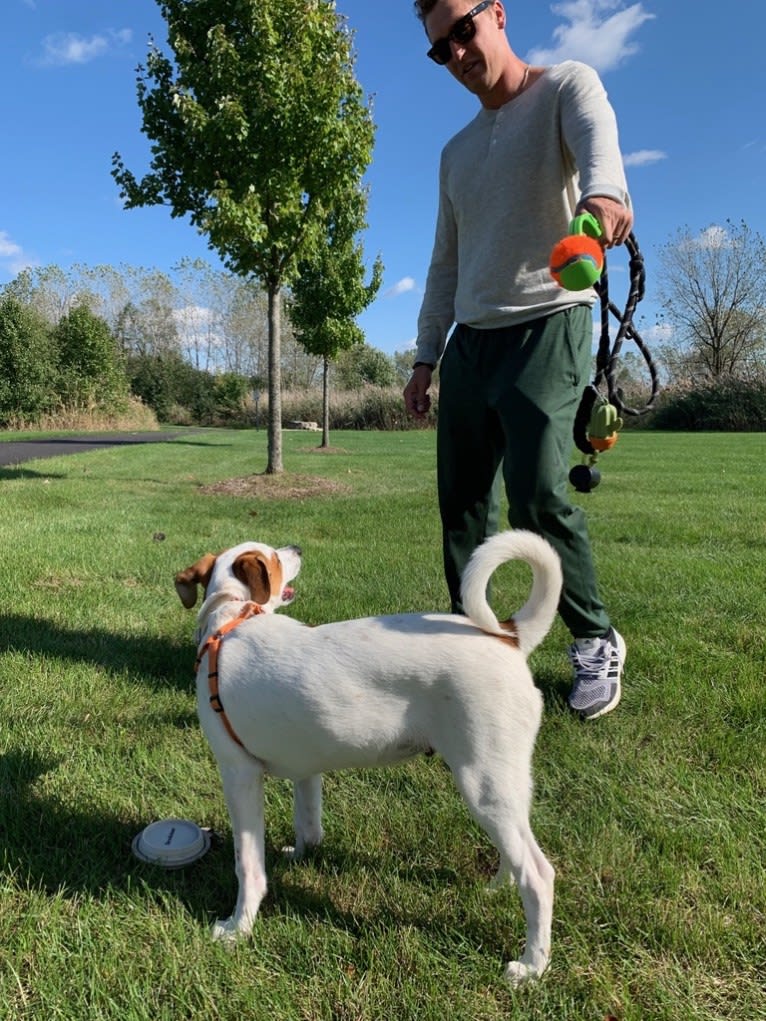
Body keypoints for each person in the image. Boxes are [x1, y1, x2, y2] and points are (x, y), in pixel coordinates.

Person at [404, 0, 633, 719]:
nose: (457, 54)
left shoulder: (568, 86)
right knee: (463, 508)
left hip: (550, 321)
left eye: (463, 31)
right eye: (441, 49)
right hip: (472, 340)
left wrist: (604, 201)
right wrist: (425, 356)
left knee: (535, 494)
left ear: (497, 12)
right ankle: (472, 651)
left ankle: (595, 638)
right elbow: (445, 262)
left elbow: (602, 163)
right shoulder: (454, 153)